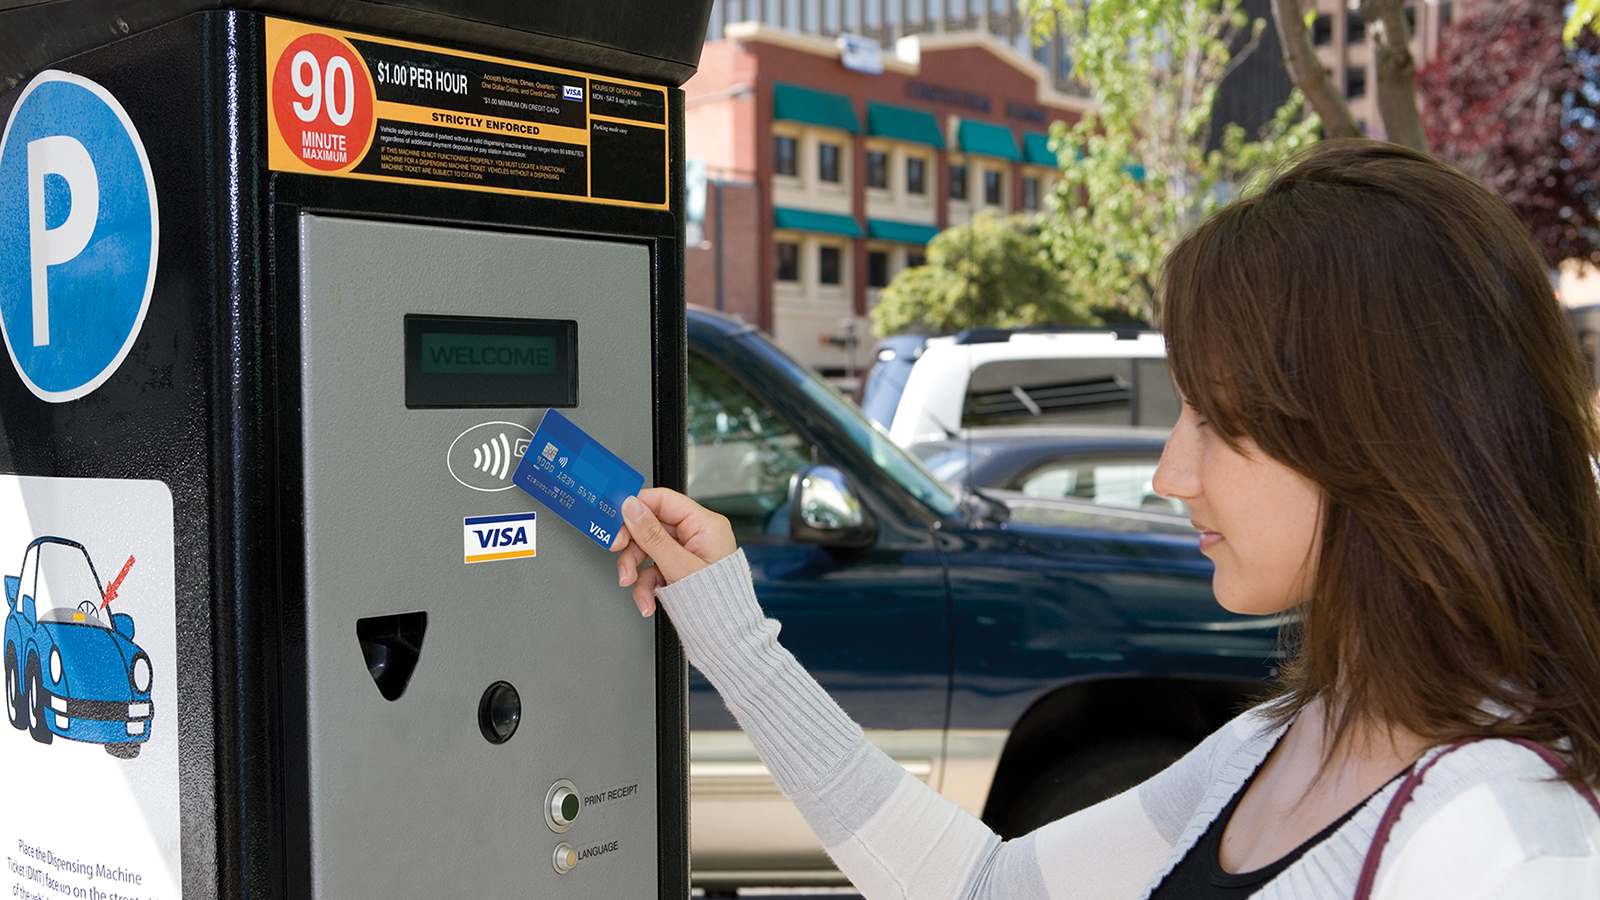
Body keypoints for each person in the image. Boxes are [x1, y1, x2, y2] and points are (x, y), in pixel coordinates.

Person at [612, 139, 1600, 898]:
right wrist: (729, 629)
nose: (1169, 472)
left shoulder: (1509, 846)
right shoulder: (1282, 742)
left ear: (1380, 437)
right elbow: (981, 886)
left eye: (1215, 421)